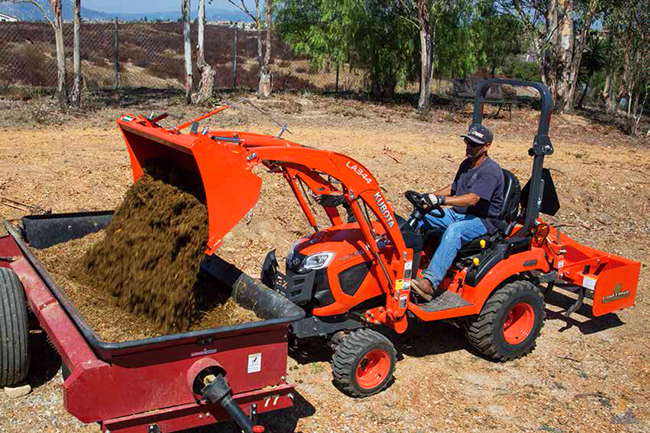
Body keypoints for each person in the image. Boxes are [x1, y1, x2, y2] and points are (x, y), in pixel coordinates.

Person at [410, 124, 504, 302]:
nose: (469, 146)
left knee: (455, 231)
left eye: (474, 144)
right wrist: (430, 196)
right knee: (422, 215)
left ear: (487, 146)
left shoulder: (491, 171)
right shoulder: (466, 164)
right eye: (467, 141)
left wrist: (440, 201)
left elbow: (472, 199)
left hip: (483, 220)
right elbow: (453, 189)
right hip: (458, 214)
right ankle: (402, 262)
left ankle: (429, 283)